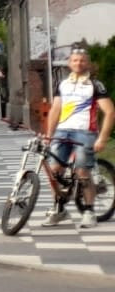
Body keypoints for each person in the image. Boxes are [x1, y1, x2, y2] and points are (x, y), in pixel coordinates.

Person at [40, 47, 114, 228]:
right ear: (69, 63)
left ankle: (89, 212)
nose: (78, 63)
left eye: (82, 60)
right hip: (62, 132)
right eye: (75, 60)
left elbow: (110, 112)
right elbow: (55, 110)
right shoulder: (63, 84)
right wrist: (49, 135)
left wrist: (102, 138)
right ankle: (59, 210)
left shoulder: (95, 85)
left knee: (82, 171)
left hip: (85, 132)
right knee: (54, 171)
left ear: (87, 63)